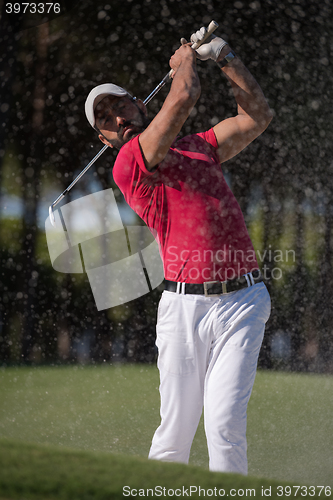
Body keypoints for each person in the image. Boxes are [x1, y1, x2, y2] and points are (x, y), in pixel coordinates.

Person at [85, 26, 273, 475]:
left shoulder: (199, 147)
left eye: (121, 105)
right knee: (174, 436)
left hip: (243, 302)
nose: (118, 119)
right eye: (105, 119)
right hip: (183, 309)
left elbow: (258, 115)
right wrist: (184, 60)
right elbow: (185, 93)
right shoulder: (128, 163)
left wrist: (226, 55)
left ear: (140, 103)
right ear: (104, 140)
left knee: (225, 427)